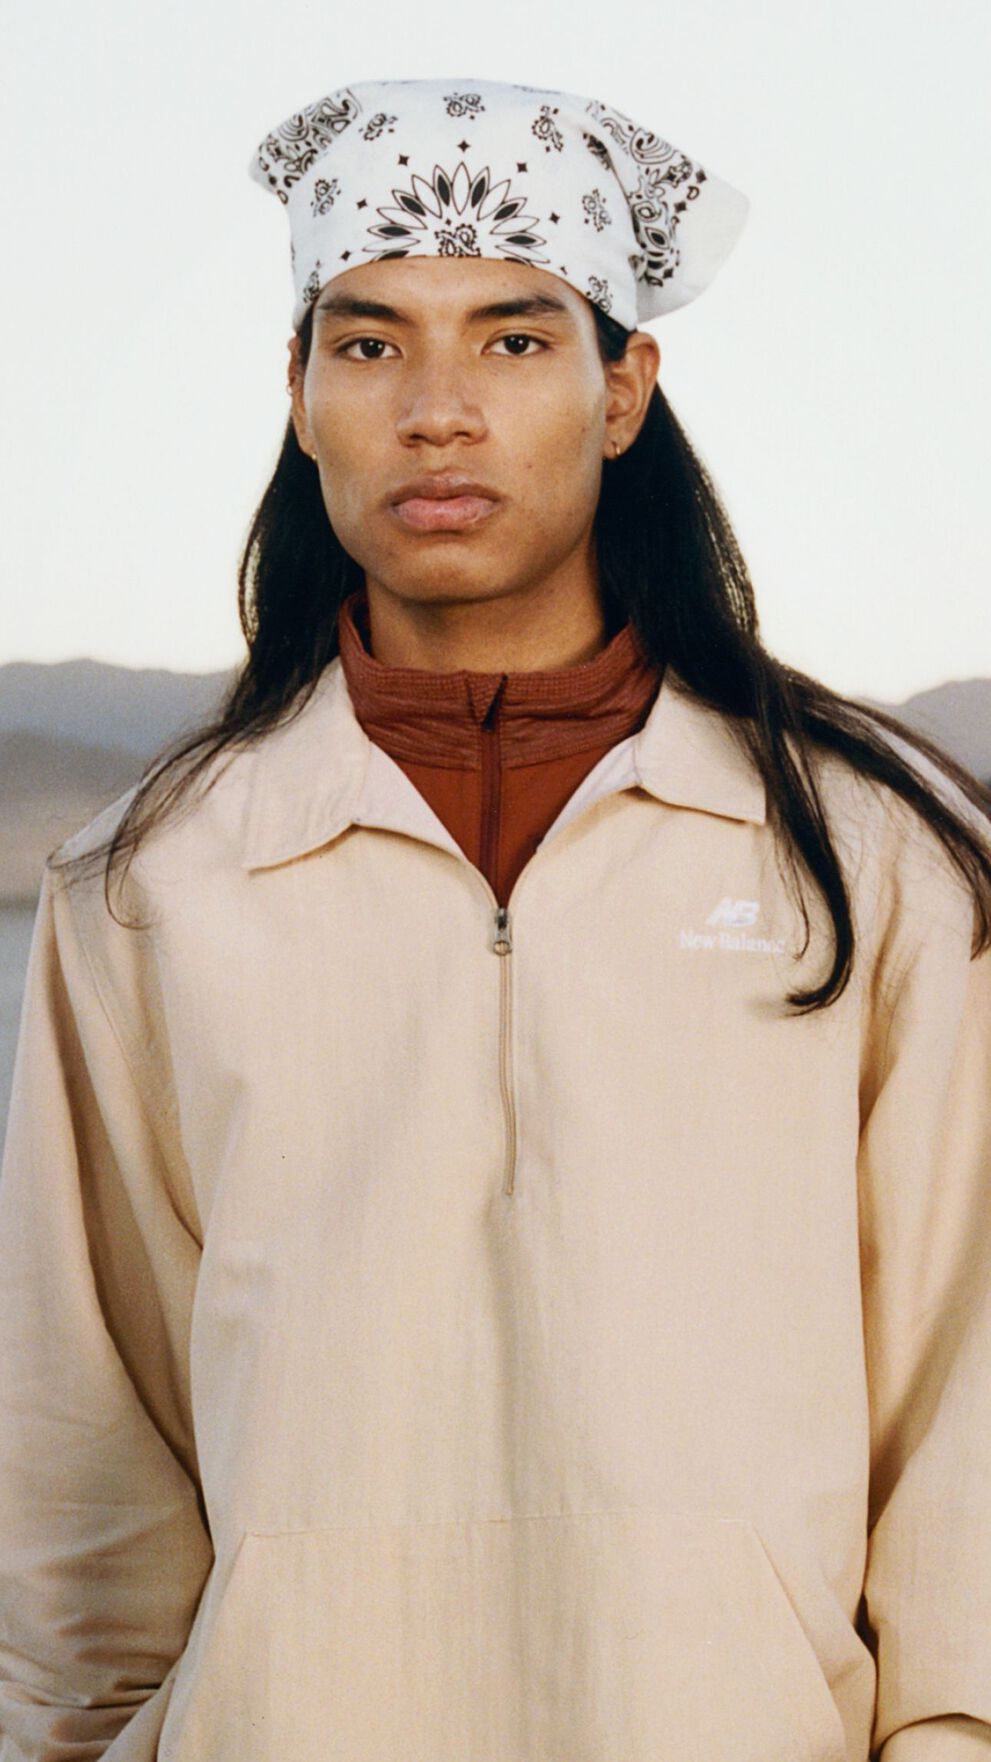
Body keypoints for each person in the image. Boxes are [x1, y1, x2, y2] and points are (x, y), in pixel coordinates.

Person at [1, 73, 990, 1762]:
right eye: (369, 342)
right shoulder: (149, 887)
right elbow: (85, 1454)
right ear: (300, 395)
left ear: (624, 392)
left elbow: (967, 1406)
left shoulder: (874, 865)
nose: (436, 410)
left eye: (516, 340)